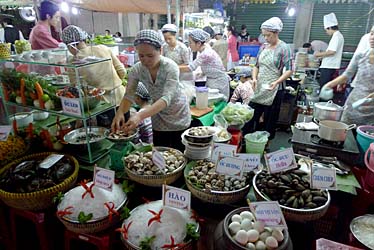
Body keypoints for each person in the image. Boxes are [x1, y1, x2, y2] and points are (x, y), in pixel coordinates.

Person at [111, 29, 191, 151]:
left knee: (178, 152)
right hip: (156, 113)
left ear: (160, 50)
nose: (145, 60)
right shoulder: (137, 69)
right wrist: (120, 112)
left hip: (177, 113)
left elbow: (166, 98)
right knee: (160, 152)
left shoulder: (171, 67)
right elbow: (129, 95)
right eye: (141, 56)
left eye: (150, 55)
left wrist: (140, 115)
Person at [61, 25, 126, 124]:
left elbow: (77, 90)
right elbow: (122, 71)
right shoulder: (103, 48)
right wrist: (111, 83)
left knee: (109, 134)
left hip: (102, 105)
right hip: (122, 98)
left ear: (70, 46)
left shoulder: (73, 62)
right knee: (125, 132)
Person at [243, 17, 293, 140]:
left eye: (268, 35)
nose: (265, 38)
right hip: (260, 87)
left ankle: (265, 144)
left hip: (275, 89)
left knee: (270, 119)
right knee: (250, 115)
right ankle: (246, 140)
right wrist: (254, 79)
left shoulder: (284, 48)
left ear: (276, 33)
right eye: (264, 35)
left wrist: (276, 82)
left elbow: (290, 69)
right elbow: (256, 66)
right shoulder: (263, 47)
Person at [321, 26, 374, 126]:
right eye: (371, 33)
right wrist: (329, 85)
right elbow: (347, 75)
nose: (372, 37)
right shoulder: (361, 56)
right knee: (345, 132)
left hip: (371, 110)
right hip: (353, 104)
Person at [179, 28, 230, 101]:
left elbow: (190, 68)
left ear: (199, 43)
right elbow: (211, 65)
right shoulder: (204, 49)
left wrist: (173, 66)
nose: (189, 45)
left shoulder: (205, 53)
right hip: (213, 81)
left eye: (190, 43)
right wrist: (203, 73)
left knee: (217, 105)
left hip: (219, 83)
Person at [315, 13, 344, 88]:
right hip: (330, 66)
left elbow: (332, 51)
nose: (326, 32)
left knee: (324, 88)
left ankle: (323, 100)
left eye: (326, 30)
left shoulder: (336, 36)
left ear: (330, 27)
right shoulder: (338, 36)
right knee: (326, 87)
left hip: (329, 66)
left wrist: (318, 54)